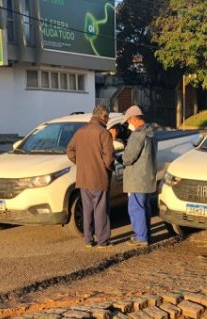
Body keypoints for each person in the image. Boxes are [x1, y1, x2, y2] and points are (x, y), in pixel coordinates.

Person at [66, 105, 115, 248]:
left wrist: (79, 163)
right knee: (101, 209)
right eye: (107, 117)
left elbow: (69, 150)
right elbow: (109, 157)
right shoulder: (103, 133)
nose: (107, 120)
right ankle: (102, 241)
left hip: (83, 178)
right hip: (98, 177)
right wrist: (107, 168)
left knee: (87, 209)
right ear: (103, 116)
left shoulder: (80, 131)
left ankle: (88, 240)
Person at [121, 105, 157, 246]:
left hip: (137, 178)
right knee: (145, 207)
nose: (128, 124)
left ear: (133, 119)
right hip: (147, 176)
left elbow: (128, 158)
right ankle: (146, 234)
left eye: (128, 121)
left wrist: (121, 155)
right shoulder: (151, 132)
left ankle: (141, 237)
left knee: (136, 208)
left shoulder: (137, 135)